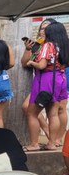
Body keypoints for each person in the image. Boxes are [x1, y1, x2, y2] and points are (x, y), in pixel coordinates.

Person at [24, 21, 69, 151]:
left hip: (46, 79)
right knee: (53, 114)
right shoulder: (63, 46)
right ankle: (52, 143)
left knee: (31, 113)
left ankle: (34, 144)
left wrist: (32, 62)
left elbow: (42, 65)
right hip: (60, 78)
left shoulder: (47, 45)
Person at [21, 19, 56, 150]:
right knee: (29, 108)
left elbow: (41, 65)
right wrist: (28, 49)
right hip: (41, 81)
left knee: (54, 111)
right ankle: (50, 138)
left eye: (46, 28)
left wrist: (33, 63)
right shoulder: (39, 45)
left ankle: (49, 140)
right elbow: (24, 62)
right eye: (41, 28)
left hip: (50, 80)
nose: (42, 31)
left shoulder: (52, 45)